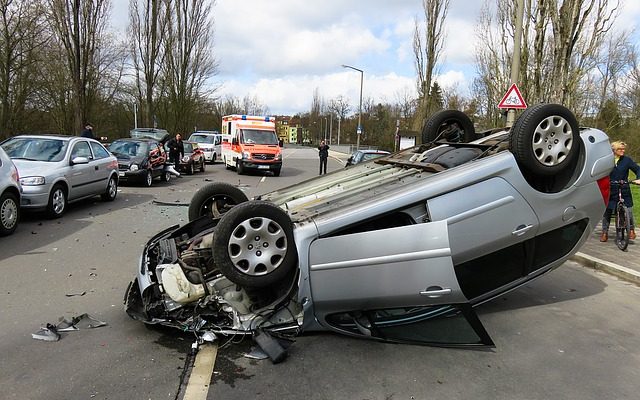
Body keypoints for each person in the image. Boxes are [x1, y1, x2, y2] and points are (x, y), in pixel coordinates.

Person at [601, 141, 640, 242]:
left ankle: (631, 230)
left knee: (629, 210)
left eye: (623, 149)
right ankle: (604, 232)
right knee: (608, 211)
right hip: (611, 189)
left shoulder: (627, 160)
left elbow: (637, 169)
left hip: (624, 188)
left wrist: (638, 178)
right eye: (620, 149)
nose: (623, 151)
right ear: (614, 150)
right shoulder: (607, 160)